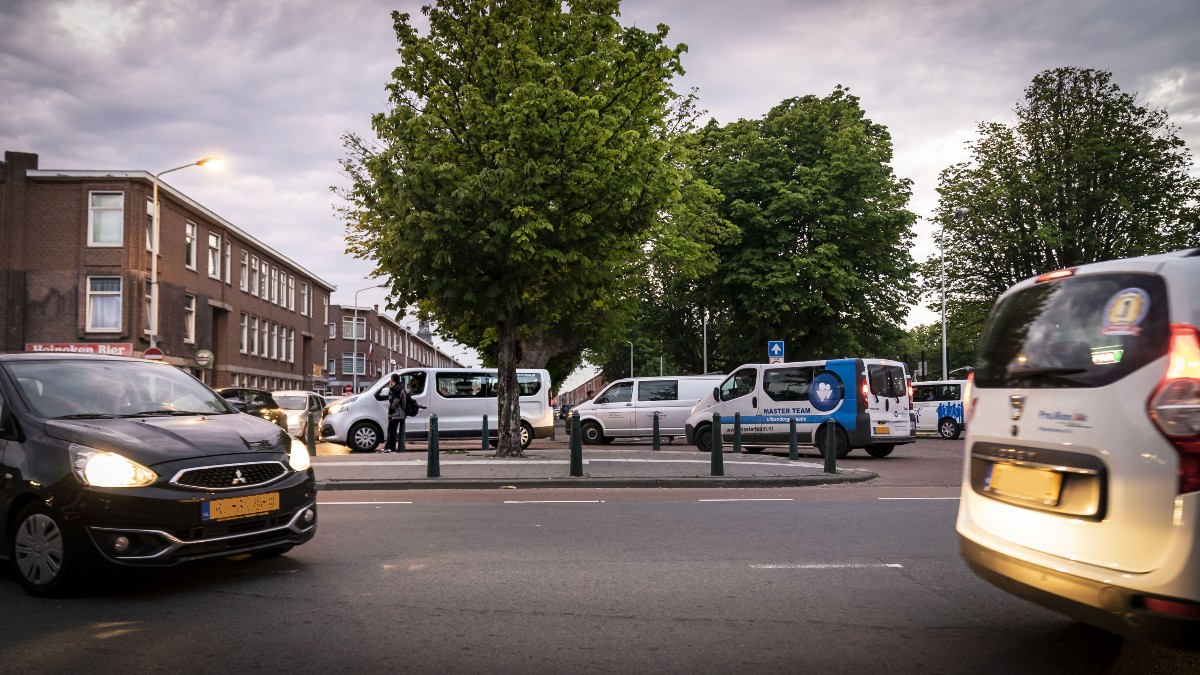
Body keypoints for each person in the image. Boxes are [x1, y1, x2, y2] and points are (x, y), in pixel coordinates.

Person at [381, 374, 409, 453]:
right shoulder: (400, 387)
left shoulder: (396, 389)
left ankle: (390, 447)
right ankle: (390, 446)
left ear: (392, 380)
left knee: (391, 430)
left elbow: (396, 400)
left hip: (396, 414)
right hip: (400, 413)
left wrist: (391, 411)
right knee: (392, 430)